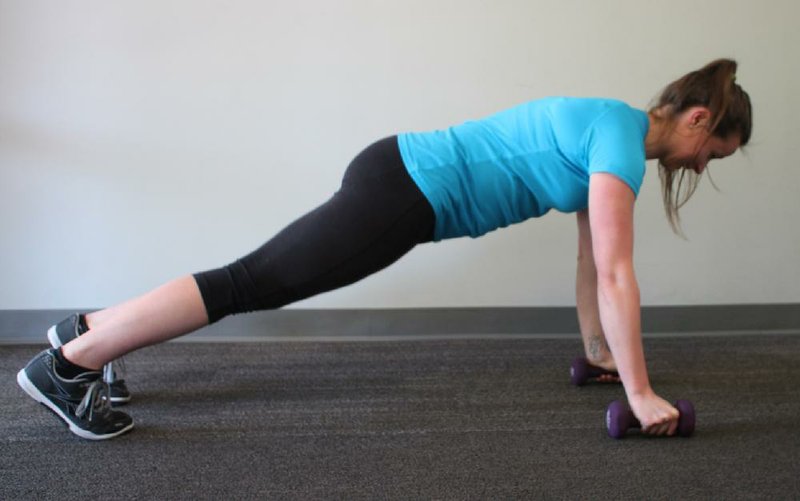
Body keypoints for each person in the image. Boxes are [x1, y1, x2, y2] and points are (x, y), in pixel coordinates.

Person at [17, 58, 752, 440]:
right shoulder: (618, 146)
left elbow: (596, 264)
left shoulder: (611, 132)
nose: (701, 167)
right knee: (251, 282)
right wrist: (640, 392)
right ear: (696, 118)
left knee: (252, 277)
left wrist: (602, 357)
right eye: (712, 152)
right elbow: (621, 275)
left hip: (400, 176)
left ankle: (84, 330)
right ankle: (66, 366)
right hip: (404, 190)